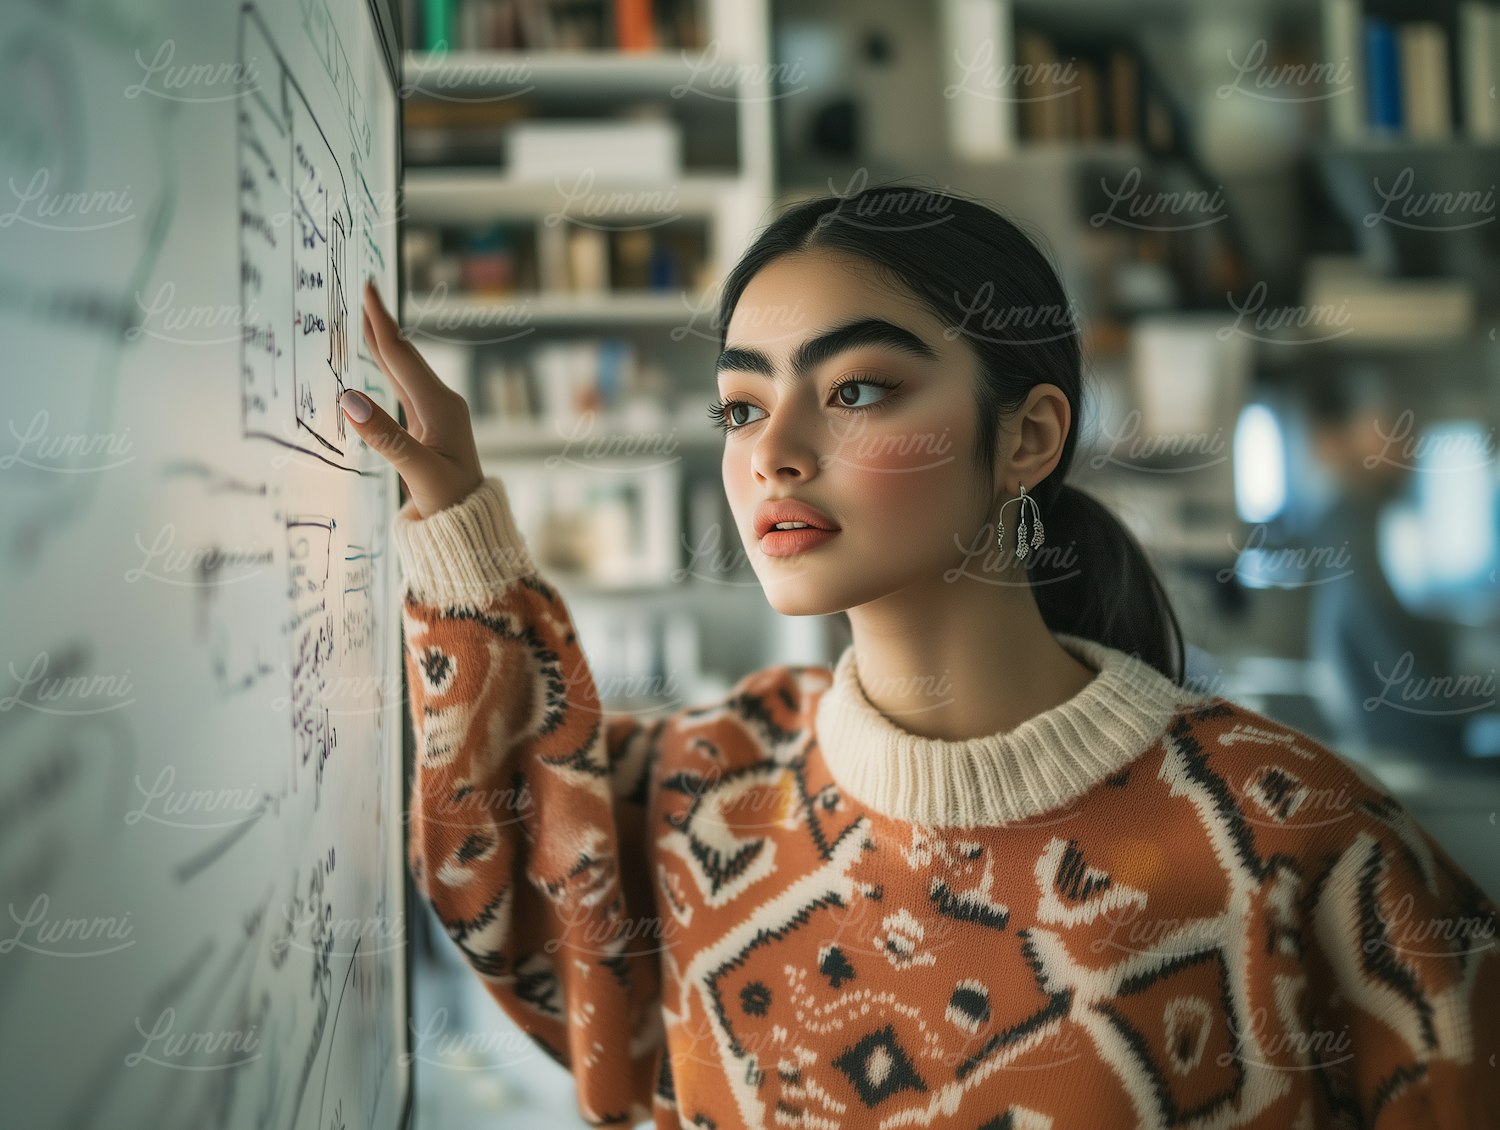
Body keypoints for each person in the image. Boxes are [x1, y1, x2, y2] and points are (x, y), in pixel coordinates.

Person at [342, 181, 1499, 1129]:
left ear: (1029, 436)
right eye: (739, 408)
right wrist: (451, 511)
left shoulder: (1294, 839)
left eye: (857, 389)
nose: (775, 453)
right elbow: (510, 862)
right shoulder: (703, 791)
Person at [1301, 371, 1477, 762]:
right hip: (1413, 757)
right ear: (1334, 440)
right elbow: (1407, 676)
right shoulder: (1350, 529)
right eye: (1389, 425)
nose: (1408, 443)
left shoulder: (1360, 522)